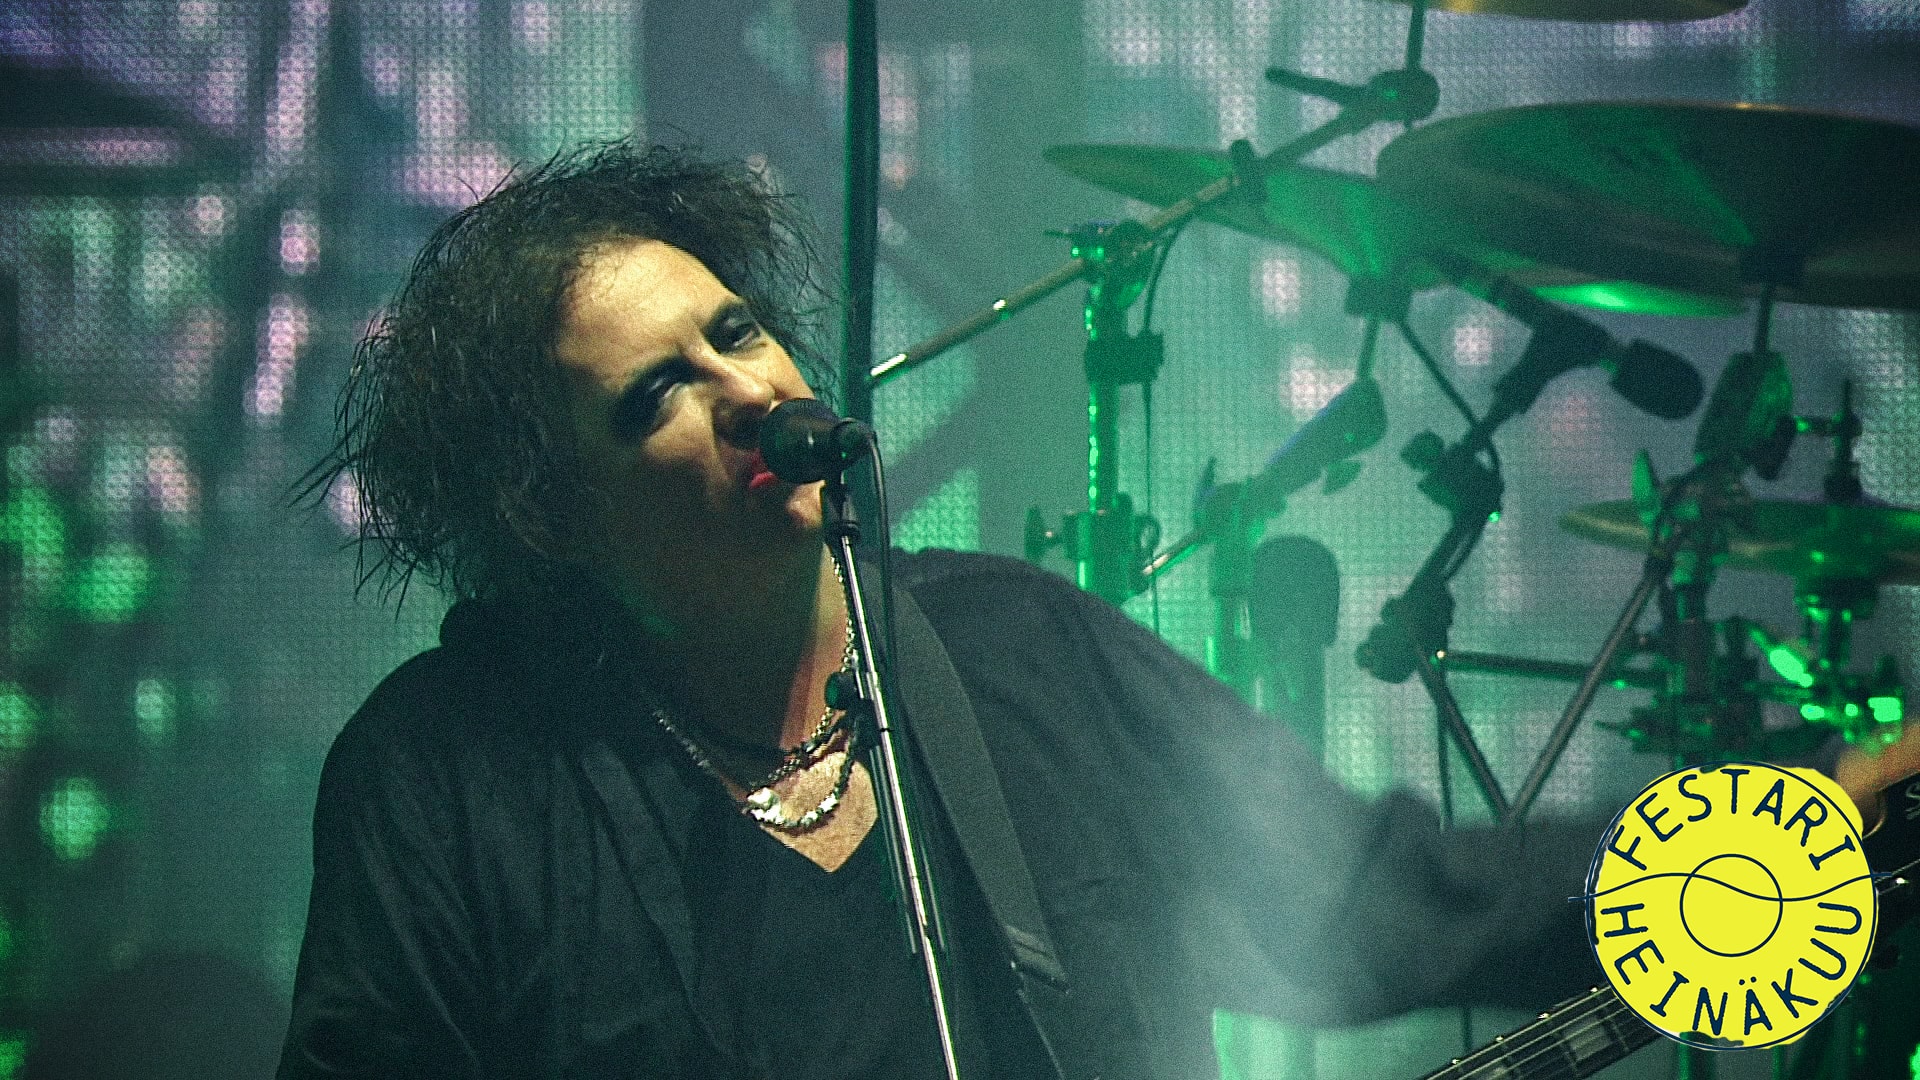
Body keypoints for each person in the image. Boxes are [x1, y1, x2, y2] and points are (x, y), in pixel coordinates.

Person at [278, 141, 1920, 1080]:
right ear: (548, 513)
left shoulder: (1014, 651)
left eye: (739, 332)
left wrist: (1808, 818)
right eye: (656, 396)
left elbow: (1379, 904)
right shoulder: (447, 777)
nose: (749, 392)